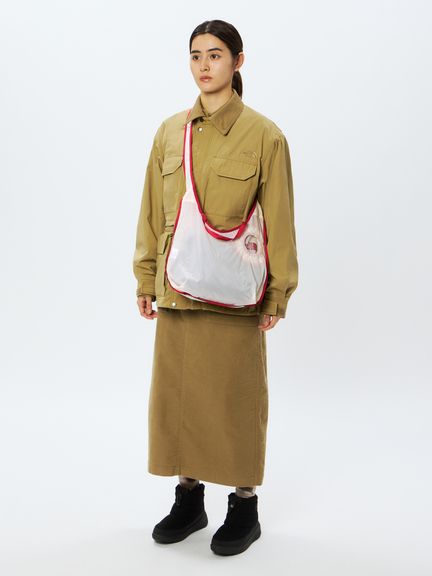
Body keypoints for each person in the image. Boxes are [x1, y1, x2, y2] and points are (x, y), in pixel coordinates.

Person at [132, 19, 299, 556]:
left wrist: (278, 292)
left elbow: (279, 221)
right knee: (178, 397)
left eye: (216, 55)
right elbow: (150, 211)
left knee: (235, 397)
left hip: (234, 294)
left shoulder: (265, 135)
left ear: (238, 61)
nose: (204, 65)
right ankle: (189, 499)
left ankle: (244, 506)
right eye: (196, 55)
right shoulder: (169, 132)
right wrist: (145, 274)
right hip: (176, 288)